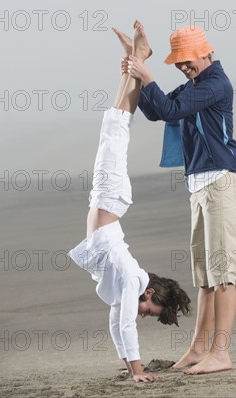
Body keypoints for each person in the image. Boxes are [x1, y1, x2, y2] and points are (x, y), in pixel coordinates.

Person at [67, 21, 191, 383]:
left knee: (113, 125)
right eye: (151, 310)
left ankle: (133, 59)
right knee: (115, 129)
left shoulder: (127, 290)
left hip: (108, 200)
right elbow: (125, 324)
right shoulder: (130, 279)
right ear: (150, 292)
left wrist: (126, 364)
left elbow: (115, 322)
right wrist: (138, 372)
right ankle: (138, 59)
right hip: (111, 196)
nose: (144, 314)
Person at [125, 25, 236, 375]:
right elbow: (158, 110)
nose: (182, 67)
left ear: (205, 53)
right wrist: (137, 70)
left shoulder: (214, 85)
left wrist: (145, 72)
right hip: (199, 184)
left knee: (223, 275)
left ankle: (221, 354)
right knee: (205, 277)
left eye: (186, 60)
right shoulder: (195, 86)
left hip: (221, 180)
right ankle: (197, 350)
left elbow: (172, 110)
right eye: (178, 63)